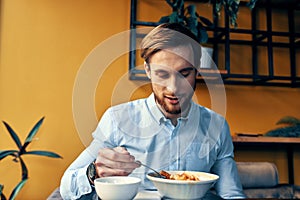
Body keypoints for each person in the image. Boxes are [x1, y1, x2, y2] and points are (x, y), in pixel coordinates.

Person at [60, 23, 245, 199]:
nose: (173, 88)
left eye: (185, 73)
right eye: (162, 74)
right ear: (148, 70)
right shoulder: (117, 119)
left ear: (197, 70)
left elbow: (231, 194)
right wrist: (94, 172)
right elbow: (66, 187)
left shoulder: (217, 126)